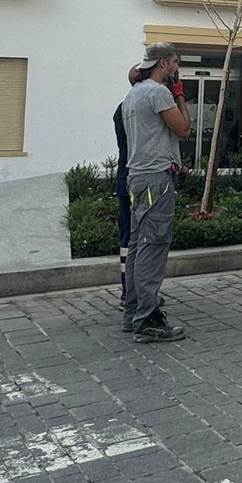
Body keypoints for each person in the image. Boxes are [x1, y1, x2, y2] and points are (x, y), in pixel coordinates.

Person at [120, 42, 192, 343]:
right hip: (156, 179)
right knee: (154, 244)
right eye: (175, 62)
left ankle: (134, 313)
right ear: (163, 63)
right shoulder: (158, 92)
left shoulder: (132, 95)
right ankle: (148, 319)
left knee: (138, 245)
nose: (177, 68)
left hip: (137, 176)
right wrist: (180, 96)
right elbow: (184, 129)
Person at [114, 63, 143, 330]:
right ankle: (132, 294)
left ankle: (129, 292)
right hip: (136, 182)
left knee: (128, 239)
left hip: (124, 180)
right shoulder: (139, 109)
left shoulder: (122, 108)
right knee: (137, 239)